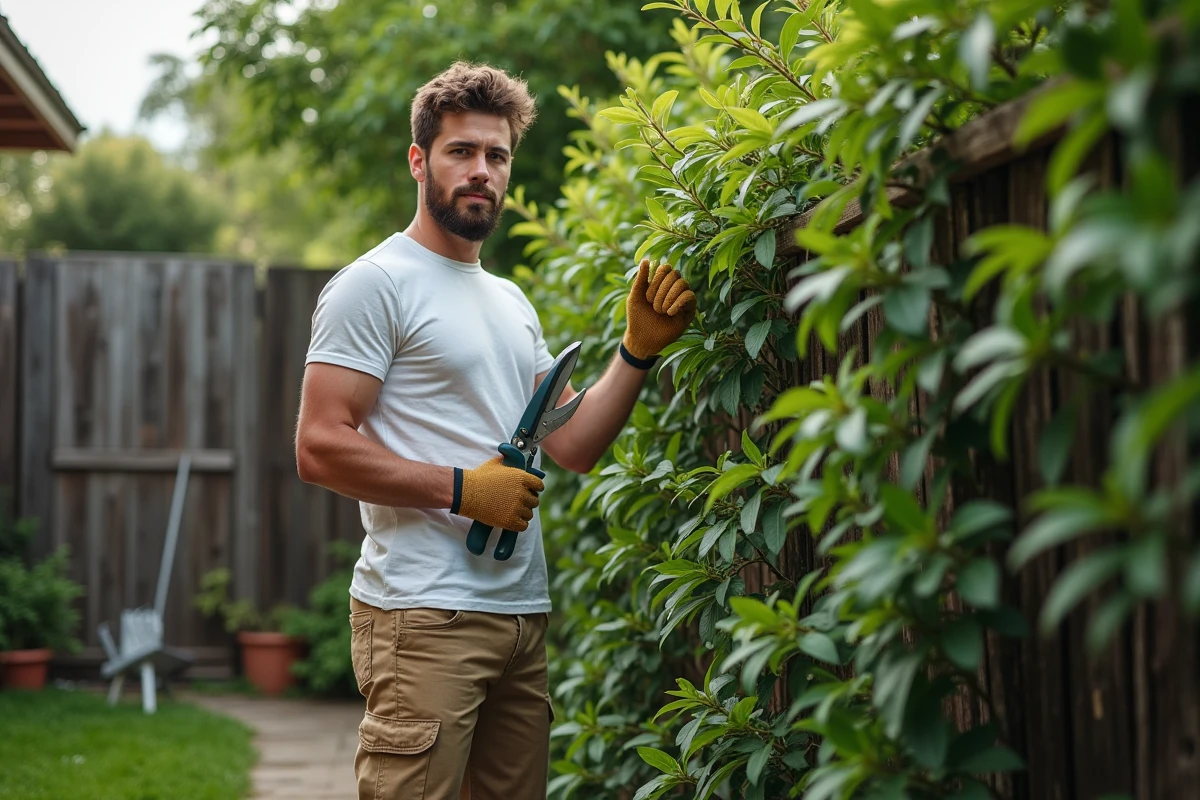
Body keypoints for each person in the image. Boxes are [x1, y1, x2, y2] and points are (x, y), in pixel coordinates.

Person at [295, 61, 696, 800]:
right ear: (419, 161)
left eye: (497, 155)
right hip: (423, 616)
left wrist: (637, 351)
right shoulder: (375, 284)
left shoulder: (511, 302)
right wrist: (463, 489)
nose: (481, 170)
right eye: (461, 151)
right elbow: (319, 445)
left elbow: (572, 442)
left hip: (520, 615)